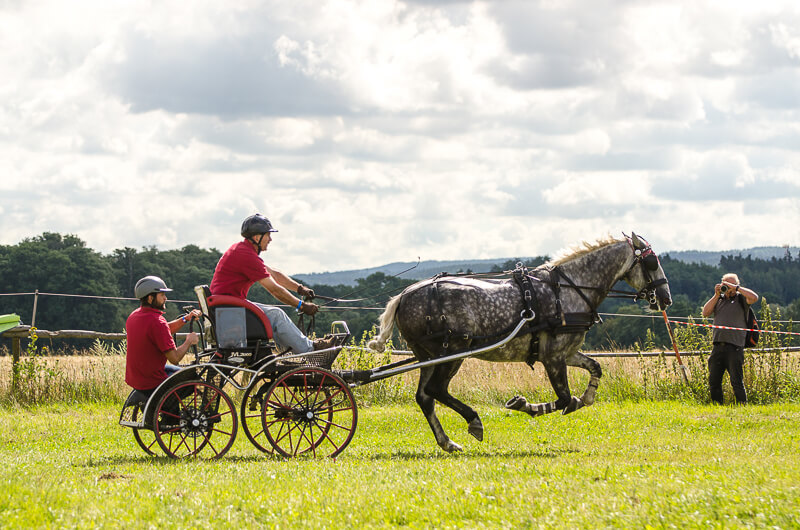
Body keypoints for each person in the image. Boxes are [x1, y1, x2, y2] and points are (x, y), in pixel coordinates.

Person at [209, 213, 333, 353]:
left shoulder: (243, 250)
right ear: (257, 237)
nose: (270, 239)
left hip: (227, 308)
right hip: (229, 311)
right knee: (276, 315)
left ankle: (293, 349)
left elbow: (274, 274)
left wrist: (299, 288)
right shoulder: (246, 255)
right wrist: (301, 306)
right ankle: (310, 349)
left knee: (275, 314)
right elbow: (275, 289)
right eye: (268, 235)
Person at [125, 275, 201, 396]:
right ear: (150, 298)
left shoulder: (134, 316)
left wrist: (185, 318)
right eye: (162, 295)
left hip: (138, 378)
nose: (165, 298)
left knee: (181, 372)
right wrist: (189, 341)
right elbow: (175, 359)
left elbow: (162, 331)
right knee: (193, 379)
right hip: (153, 382)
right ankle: (171, 408)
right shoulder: (157, 322)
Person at [701, 273, 759, 405]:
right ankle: (716, 406)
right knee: (714, 381)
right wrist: (716, 295)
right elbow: (705, 313)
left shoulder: (742, 299)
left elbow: (754, 297)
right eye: (726, 285)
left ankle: (742, 405)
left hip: (735, 347)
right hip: (717, 346)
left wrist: (736, 288)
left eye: (731, 285)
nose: (729, 288)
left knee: (736, 381)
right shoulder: (719, 300)